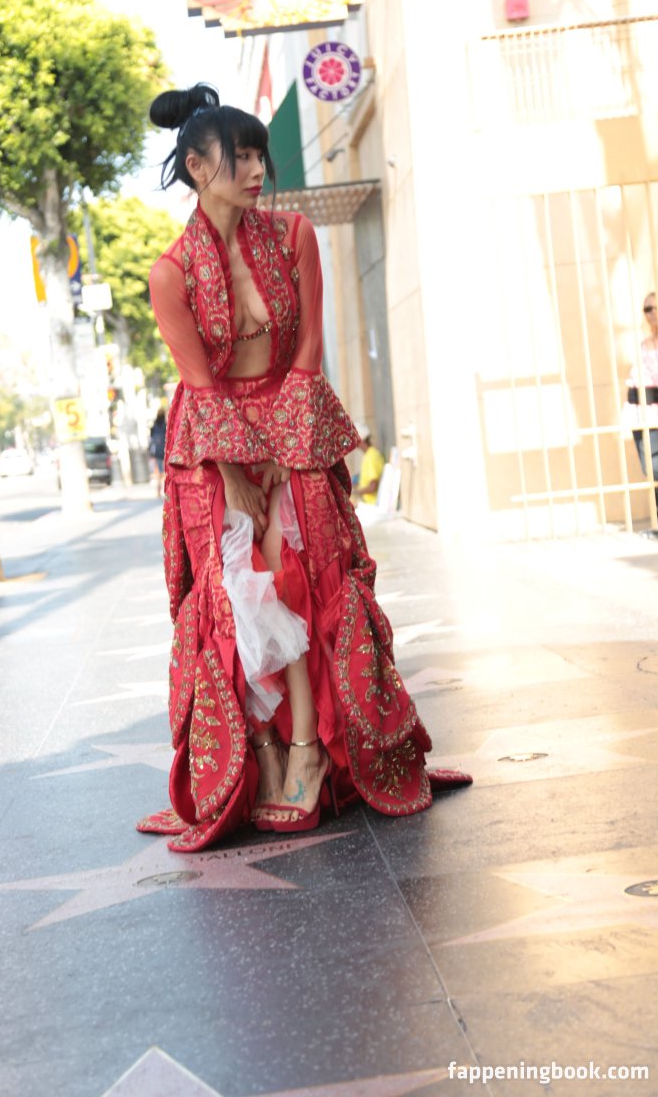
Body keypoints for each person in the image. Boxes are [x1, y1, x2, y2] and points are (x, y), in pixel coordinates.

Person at [136, 84, 470, 854]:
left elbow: (308, 350)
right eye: (240, 157)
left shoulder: (293, 235)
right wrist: (234, 474)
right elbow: (200, 385)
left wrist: (288, 454)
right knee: (236, 597)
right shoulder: (169, 273)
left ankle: (311, 750)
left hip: (294, 427)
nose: (257, 170)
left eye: (260, 155)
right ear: (197, 167)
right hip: (213, 452)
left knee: (308, 579)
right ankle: (259, 755)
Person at [625, 291, 658, 538]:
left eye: (655, 307)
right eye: (647, 309)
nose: (651, 313)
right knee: (654, 468)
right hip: (647, 416)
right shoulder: (644, 346)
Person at [352, 423, 385, 505]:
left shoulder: (371, 456)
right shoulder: (369, 454)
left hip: (372, 504)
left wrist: (354, 492)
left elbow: (372, 487)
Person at [149, 408, 168, 496]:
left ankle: (158, 490)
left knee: (159, 471)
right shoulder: (165, 425)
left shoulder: (154, 426)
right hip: (165, 450)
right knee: (166, 471)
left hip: (157, 451)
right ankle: (167, 490)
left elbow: (151, 438)